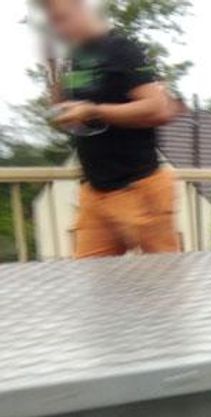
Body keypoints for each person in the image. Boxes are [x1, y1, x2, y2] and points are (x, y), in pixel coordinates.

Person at [40, 0, 181, 258]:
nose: (58, 29)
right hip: (95, 194)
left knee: (164, 286)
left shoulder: (122, 49)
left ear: (80, 8)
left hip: (141, 190)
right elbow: (61, 109)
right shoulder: (77, 57)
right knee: (94, 287)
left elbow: (157, 108)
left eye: (61, 19)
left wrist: (94, 111)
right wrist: (52, 66)